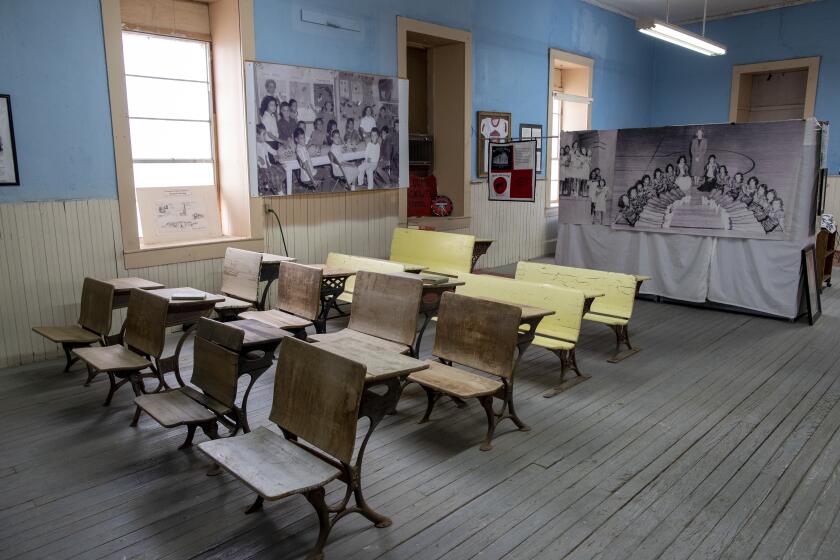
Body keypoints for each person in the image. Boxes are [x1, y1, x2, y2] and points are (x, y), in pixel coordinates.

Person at [255, 124, 284, 195]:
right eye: (263, 134)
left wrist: (280, 151)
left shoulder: (265, 144)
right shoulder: (255, 145)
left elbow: (273, 151)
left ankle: (277, 188)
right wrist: (258, 158)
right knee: (275, 175)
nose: (265, 136)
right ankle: (279, 191)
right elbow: (252, 155)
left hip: (269, 166)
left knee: (281, 170)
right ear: (257, 135)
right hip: (262, 168)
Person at [293, 127, 317, 191]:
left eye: (304, 137)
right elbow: (306, 165)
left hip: (306, 176)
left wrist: (309, 144)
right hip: (308, 177)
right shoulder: (300, 150)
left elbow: (305, 148)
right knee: (326, 173)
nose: (303, 140)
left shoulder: (300, 147)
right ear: (296, 139)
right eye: (301, 138)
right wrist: (313, 180)